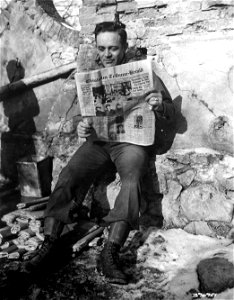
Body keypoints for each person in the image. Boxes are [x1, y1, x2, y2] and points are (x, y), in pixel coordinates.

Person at [24, 21, 175, 285]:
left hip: (131, 143)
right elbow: (81, 118)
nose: (107, 54)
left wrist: (160, 106)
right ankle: (50, 243)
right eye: (102, 48)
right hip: (100, 141)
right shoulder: (92, 78)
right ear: (96, 48)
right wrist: (82, 124)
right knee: (70, 174)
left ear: (124, 48)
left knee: (131, 181)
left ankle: (110, 253)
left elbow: (172, 114)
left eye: (113, 49)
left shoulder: (145, 74)